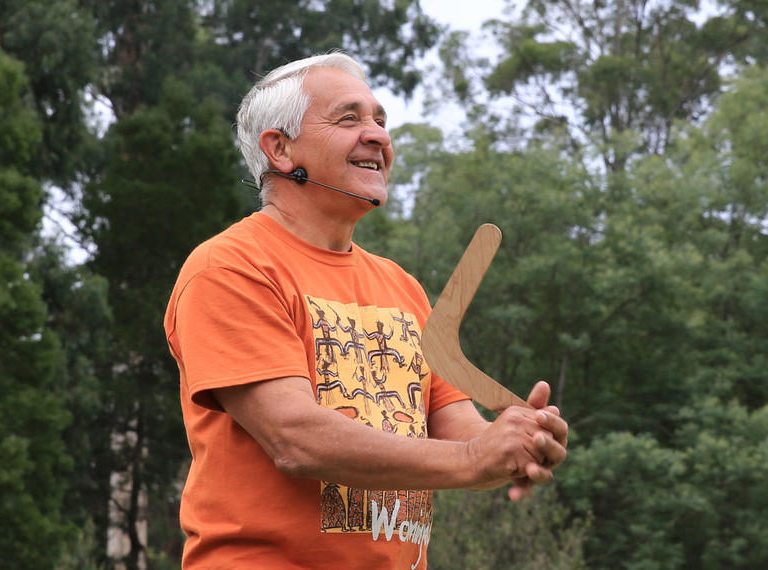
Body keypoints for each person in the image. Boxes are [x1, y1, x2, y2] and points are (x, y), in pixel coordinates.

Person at [162, 52, 571, 569]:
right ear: (280, 149)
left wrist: (516, 443)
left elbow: (462, 438)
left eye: (381, 120)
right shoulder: (230, 267)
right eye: (349, 118)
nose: (377, 135)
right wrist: (475, 457)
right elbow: (295, 439)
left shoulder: (400, 286)